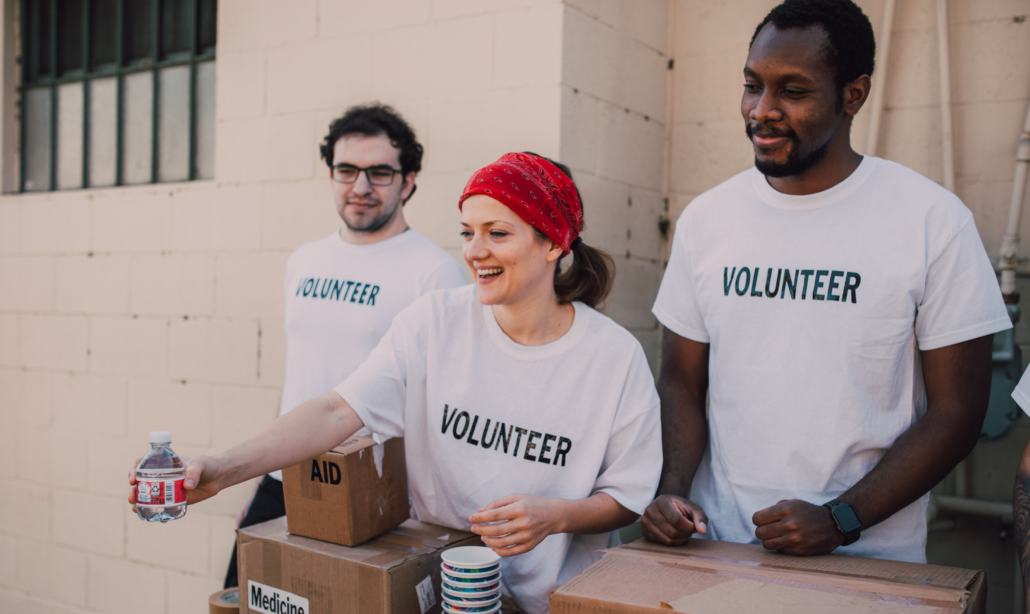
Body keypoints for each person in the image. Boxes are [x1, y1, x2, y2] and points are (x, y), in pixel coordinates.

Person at [131, 152, 661, 614]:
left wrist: (558, 516)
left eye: (497, 233)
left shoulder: (613, 357)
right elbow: (338, 413)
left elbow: (627, 496)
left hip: (550, 602)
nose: (474, 250)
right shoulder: (433, 322)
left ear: (553, 244)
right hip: (435, 590)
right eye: (467, 232)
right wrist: (223, 469)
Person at [642, 0, 1010, 563]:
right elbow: (682, 382)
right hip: (719, 548)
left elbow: (957, 411)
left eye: (793, 91)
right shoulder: (708, 219)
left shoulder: (931, 220)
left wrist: (842, 519)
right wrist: (672, 490)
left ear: (853, 94)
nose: (762, 111)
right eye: (752, 85)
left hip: (869, 562)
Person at [221, 103, 468, 588]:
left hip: (373, 491)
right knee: (246, 597)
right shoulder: (304, 261)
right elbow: (301, 372)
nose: (360, 187)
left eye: (379, 172)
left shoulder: (435, 272)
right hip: (286, 473)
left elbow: (445, 398)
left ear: (409, 180)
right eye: (346, 170)